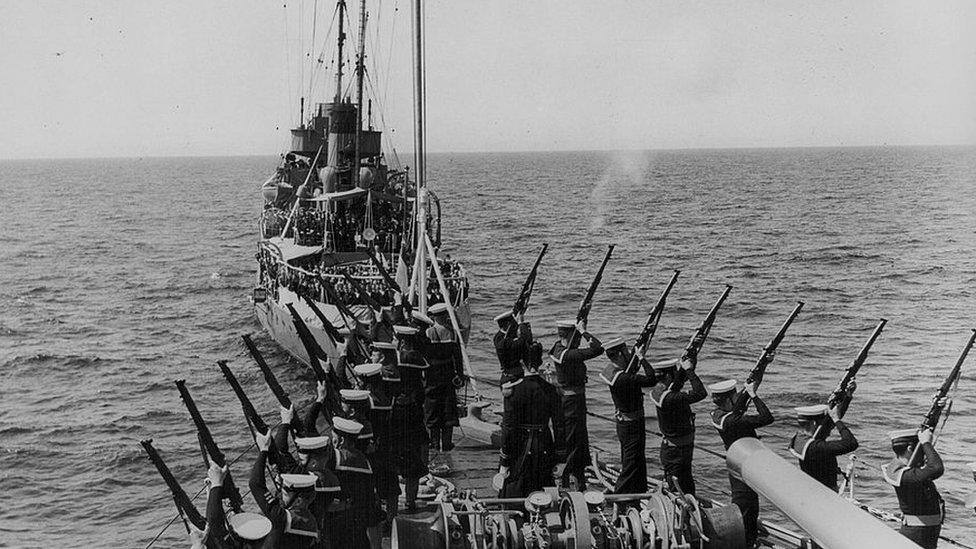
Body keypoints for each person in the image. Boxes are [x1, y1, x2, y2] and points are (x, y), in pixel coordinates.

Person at [709, 378, 774, 547]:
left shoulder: (718, 415)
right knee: (747, 508)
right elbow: (767, 418)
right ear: (728, 400)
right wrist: (753, 395)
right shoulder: (733, 421)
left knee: (743, 504)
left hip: (735, 462)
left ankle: (745, 539)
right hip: (744, 466)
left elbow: (737, 406)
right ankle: (745, 543)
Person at [498, 341, 566, 498]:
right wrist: (561, 458)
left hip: (520, 446)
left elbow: (508, 427)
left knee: (514, 487)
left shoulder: (513, 390)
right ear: (540, 362)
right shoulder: (551, 390)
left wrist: (505, 461)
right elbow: (559, 426)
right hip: (544, 444)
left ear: (521, 362)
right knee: (543, 487)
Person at [549, 319, 603, 489]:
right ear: (569, 335)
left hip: (574, 402)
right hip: (571, 403)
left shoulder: (560, 348)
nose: (580, 340)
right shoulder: (566, 354)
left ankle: (576, 478)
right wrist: (585, 331)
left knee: (579, 442)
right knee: (573, 443)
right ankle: (568, 481)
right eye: (577, 336)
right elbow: (598, 348)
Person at [598, 337, 655, 494]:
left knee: (636, 461)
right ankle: (620, 497)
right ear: (620, 354)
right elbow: (652, 379)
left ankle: (638, 492)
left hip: (625, 423)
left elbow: (630, 372)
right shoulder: (623, 378)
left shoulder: (612, 372)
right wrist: (642, 358)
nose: (629, 354)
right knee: (631, 464)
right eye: (626, 351)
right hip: (632, 425)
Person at [250, 430, 321, 548]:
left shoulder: (283, 518)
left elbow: (255, 484)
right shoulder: (309, 519)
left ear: (298, 501)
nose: (281, 493)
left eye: (285, 491)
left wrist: (263, 450)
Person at [649, 354, 707, 496]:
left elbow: (677, 382)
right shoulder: (671, 398)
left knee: (685, 487)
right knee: (680, 491)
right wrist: (689, 371)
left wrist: (687, 364)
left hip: (675, 450)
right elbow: (701, 393)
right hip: (677, 453)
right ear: (669, 377)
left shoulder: (660, 390)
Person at [882, 427, 945, 548]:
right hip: (916, 534)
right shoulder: (904, 475)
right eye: (921, 450)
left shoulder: (909, 471)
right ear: (911, 449)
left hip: (925, 533)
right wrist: (926, 443)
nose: (924, 453)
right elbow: (937, 468)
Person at [390, 346, 430, 511]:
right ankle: (410, 501)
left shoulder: (393, 384)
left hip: (397, 432)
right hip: (411, 432)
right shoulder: (417, 390)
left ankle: (395, 503)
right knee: (413, 471)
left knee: (394, 467)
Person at [332, 417, 380, 549]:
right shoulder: (364, 461)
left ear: (341, 440)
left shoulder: (336, 459)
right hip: (359, 522)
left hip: (341, 520)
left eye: (333, 438)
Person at [423, 303, 464, 455]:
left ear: (433, 316)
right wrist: (459, 375)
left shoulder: (428, 332)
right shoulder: (452, 333)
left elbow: (424, 356)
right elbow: (458, 357)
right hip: (448, 375)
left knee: (433, 408)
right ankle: (447, 443)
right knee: (448, 408)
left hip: (432, 376)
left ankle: (434, 444)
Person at [788, 404, 858, 491]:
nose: (829, 432)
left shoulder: (798, 439)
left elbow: (826, 427)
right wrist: (836, 420)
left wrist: (847, 398)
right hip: (826, 493)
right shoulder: (816, 448)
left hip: (811, 488)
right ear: (814, 423)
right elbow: (851, 443)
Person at [493, 310, 532, 384]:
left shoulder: (499, 336)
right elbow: (523, 340)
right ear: (508, 324)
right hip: (514, 376)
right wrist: (521, 324)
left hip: (509, 374)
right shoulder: (504, 341)